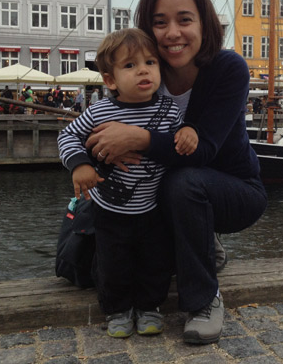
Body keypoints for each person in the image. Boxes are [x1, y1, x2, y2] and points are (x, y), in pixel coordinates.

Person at [85, 0, 268, 345]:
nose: (172, 33)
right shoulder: (145, 72)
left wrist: (138, 137)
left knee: (183, 181)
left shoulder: (228, 69)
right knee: (117, 208)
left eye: (184, 20)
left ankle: (204, 301)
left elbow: (203, 151)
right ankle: (190, 244)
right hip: (166, 197)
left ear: (203, 24)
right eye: (160, 22)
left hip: (236, 191)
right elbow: (102, 133)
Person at [58, 28, 199, 339]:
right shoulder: (99, 111)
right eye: (130, 66)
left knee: (155, 261)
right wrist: (79, 164)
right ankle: (118, 309)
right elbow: (68, 136)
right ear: (110, 80)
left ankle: (150, 307)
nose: (143, 70)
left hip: (152, 208)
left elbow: (175, 140)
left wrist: (188, 132)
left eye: (150, 62)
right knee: (113, 261)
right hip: (110, 210)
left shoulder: (167, 110)